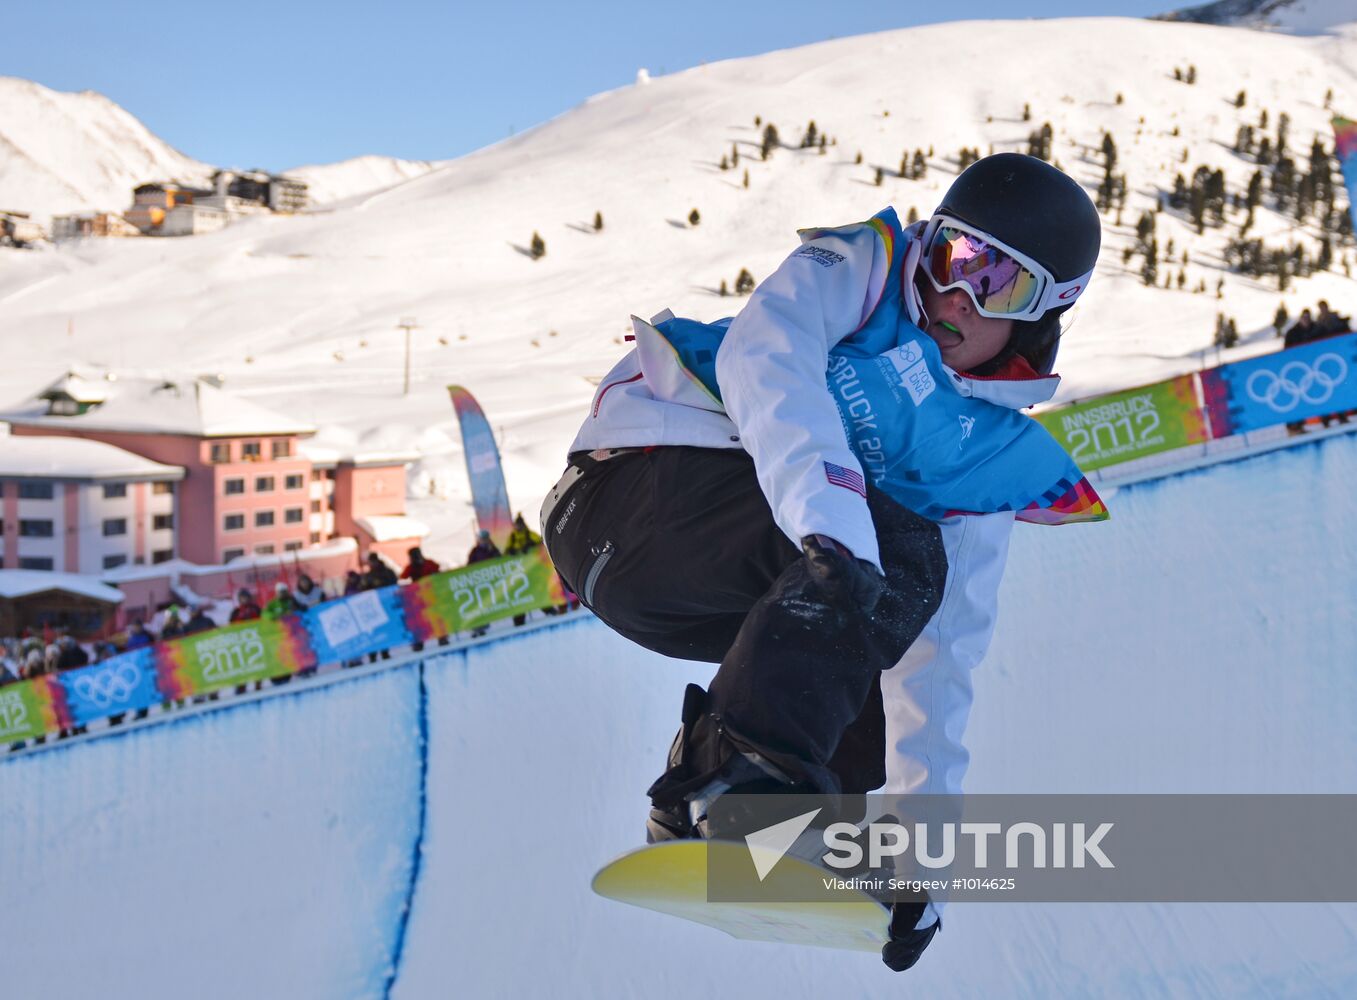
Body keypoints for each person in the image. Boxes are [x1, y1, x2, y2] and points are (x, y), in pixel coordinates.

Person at [542, 154, 1105, 972]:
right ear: (927, 246)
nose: (958, 297)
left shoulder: (980, 458)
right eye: (954, 260)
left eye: (1000, 286)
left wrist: (926, 868)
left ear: (1045, 313)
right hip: (634, 494)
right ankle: (732, 792)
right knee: (887, 557)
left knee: (888, 636)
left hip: (683, 592)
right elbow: (765, 361)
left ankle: (762, 823)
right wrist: (833, 525)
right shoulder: (859, 271)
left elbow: (941, 668)